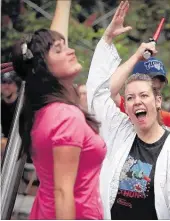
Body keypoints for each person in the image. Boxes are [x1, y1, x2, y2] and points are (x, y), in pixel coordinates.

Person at [86, 1, 170, 219]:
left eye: (144, 95)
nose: (137, 102)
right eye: (131, 97)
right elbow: (99, 95)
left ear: (158, 101)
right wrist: (114, 43)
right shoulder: (120, 129)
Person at [11, 0, 106, 219]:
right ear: (44, 69)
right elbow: (63, 192)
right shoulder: (66, 116)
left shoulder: (45, 110)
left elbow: (50, 47)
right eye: (60, 50)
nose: (71, 51)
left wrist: (64, 4)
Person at [109, 46, 170, 137]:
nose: (154, 93)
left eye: (156, 89)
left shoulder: (158, 117)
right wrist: (136, 56)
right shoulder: (122, 107)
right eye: (145, 91)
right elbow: (109, 90)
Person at [1, 70, 22, 153]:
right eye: (3, 82)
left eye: (9, 82)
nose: (6, 85)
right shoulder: (1, 105)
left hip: (20, 146)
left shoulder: (24, 106)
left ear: (16, 86)